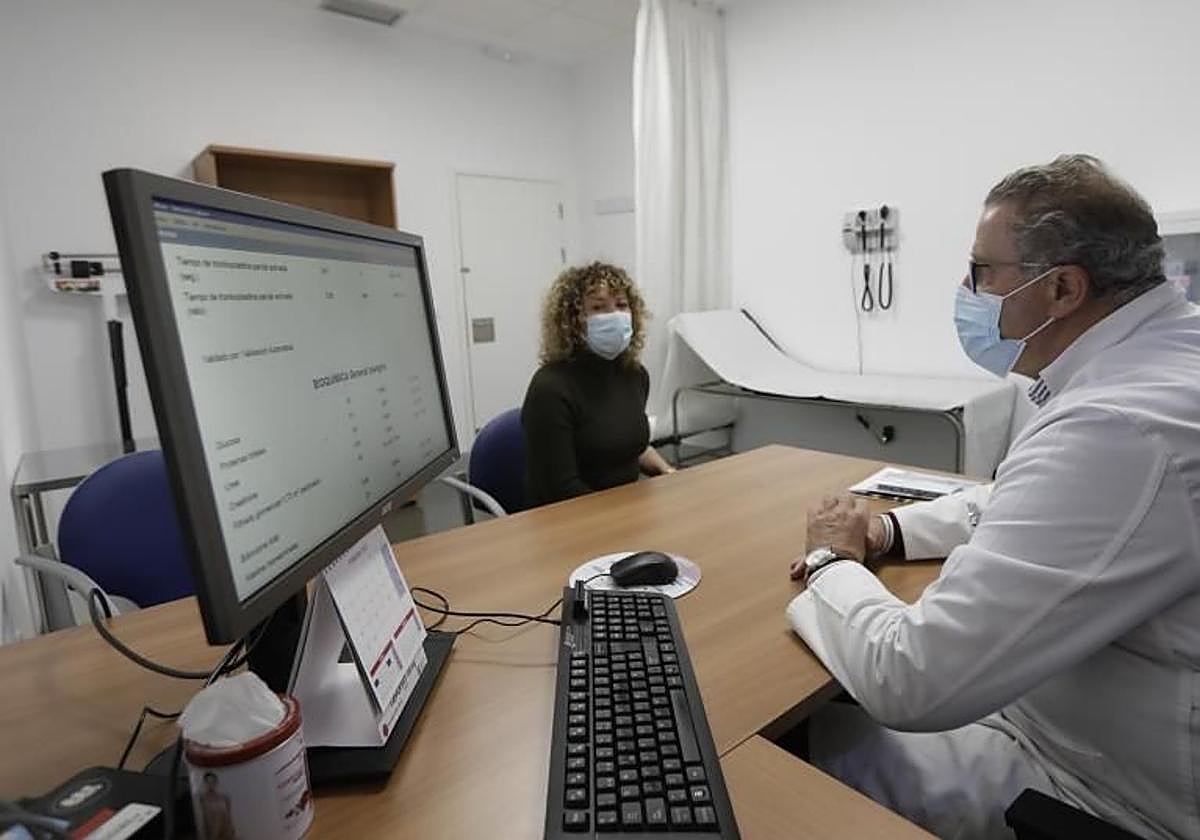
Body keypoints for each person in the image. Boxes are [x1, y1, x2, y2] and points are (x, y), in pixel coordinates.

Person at [786, 155, 1200, 840]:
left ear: (1064, 288)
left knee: (805, 736)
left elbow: (909, 680)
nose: (966, 290)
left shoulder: (1119, 425)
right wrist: (890, 535)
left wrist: (833, 562)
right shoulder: (1156, 361)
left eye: (982, 272)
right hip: (1078, 711)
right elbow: (1022, 502)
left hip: (1103, 791)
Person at [522, 262, 675, 507]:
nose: (614, 315)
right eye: (598, 308)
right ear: (573, 321)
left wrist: (669, 473)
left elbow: (632, 445)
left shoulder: (635, 375)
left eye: (621, 305)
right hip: (571, 519)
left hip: (625, 511)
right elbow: (561, 488)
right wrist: (622, 515)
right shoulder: (550, 388)